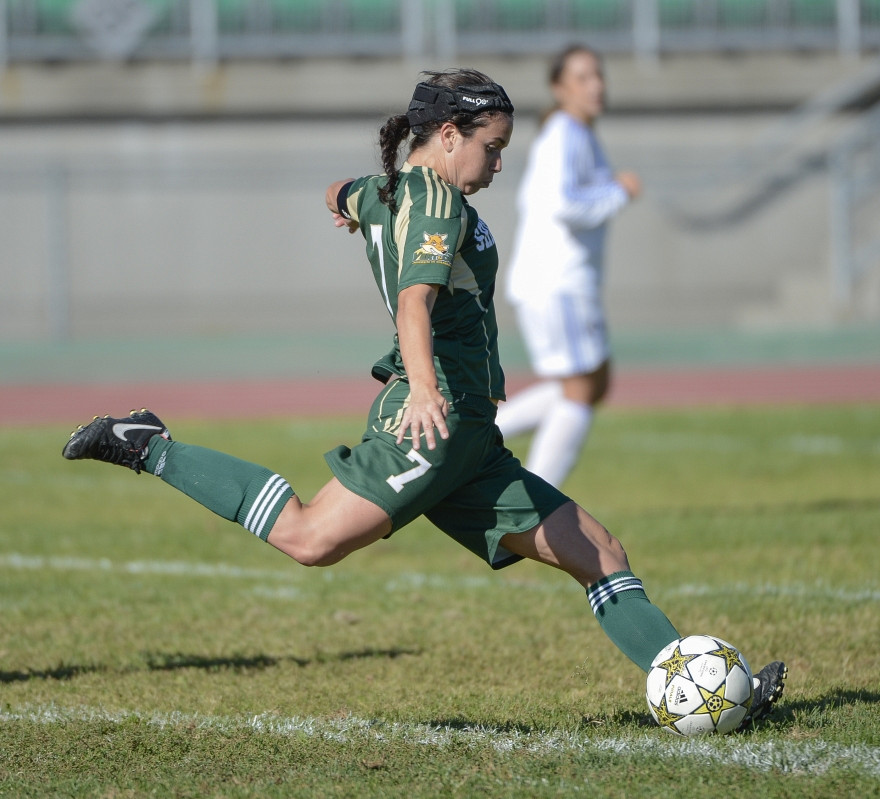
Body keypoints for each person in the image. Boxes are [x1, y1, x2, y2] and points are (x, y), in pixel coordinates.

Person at [61, 68, 785, 727]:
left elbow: (336, 193)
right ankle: (147, 444)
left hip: (470, 437)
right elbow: (415, 305)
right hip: (432, 426)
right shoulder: (437, 201)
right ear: (447, 136)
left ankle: (712, 693)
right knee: (310, 538)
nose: (499, 163)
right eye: (492, 148)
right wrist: (428, 392)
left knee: (599, 550)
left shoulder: (392, 188)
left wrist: (353, 212)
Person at [497, 45, 639, 489]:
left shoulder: (576, 133)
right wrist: (618, 192)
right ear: (559, 88)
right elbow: (563, 204)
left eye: (598, 75)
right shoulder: (564, 133)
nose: (595, 85)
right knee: (580, 389)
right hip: (556, 282)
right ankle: (535, 503)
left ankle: (486, 434)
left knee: (592, 382)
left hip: (561, 282)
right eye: (581, 77)